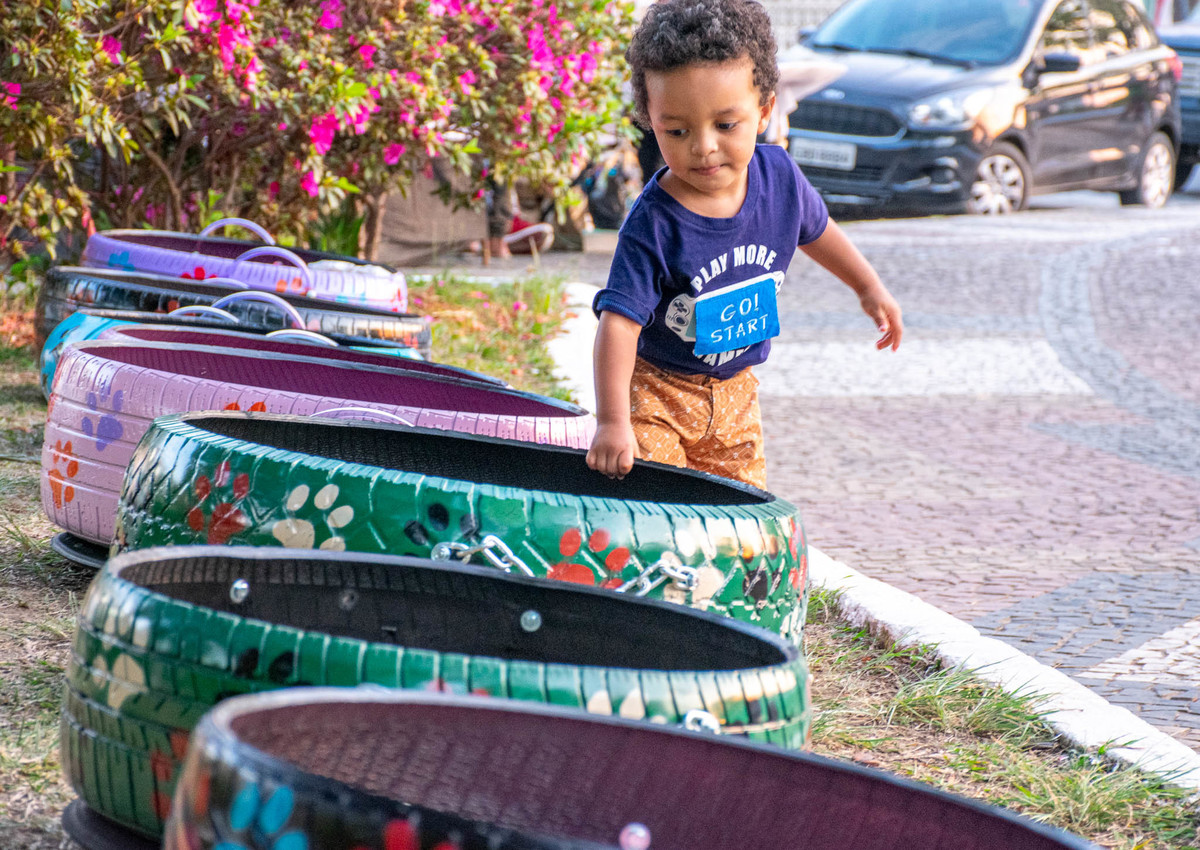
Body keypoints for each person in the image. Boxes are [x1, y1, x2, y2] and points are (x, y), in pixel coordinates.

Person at [585, 0, 902, 490]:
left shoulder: (781, 179)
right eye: (677, 130)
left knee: (741, 511)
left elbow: (818, 231)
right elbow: (619, 325)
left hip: (737, 393)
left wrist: (868, 287)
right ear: (650, 120)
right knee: (661, 502)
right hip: (659, 394)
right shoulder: (653, 223)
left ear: (765, 110)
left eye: (725, 125)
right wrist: (612, 422)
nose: (703, 145)